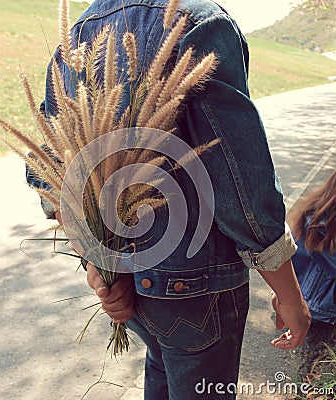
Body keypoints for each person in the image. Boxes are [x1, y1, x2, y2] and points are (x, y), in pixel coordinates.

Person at [27, 1, 311, 398]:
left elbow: (51, 167)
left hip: (130, 286)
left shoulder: (80, 29)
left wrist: (103, 266)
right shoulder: (200, 21)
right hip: (194, 286)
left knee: (161, 366)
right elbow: (240, 177)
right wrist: (289, 293)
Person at [288, 169, 336, 376]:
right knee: (313, 365)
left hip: (311, 300)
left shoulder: (318, 212)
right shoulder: (325, 225)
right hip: (318, 308)